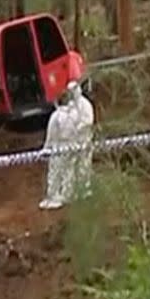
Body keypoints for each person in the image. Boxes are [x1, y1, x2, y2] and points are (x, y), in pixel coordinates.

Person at [38, 80, 94, 210]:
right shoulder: (67, 114)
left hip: (74, 144)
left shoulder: (82, 106)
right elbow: (54, 134)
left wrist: (48, 147)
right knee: (64, 170)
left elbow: (87, 122)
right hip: (68, 145)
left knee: (73, 168)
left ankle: (70, 192)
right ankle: (61, 194)